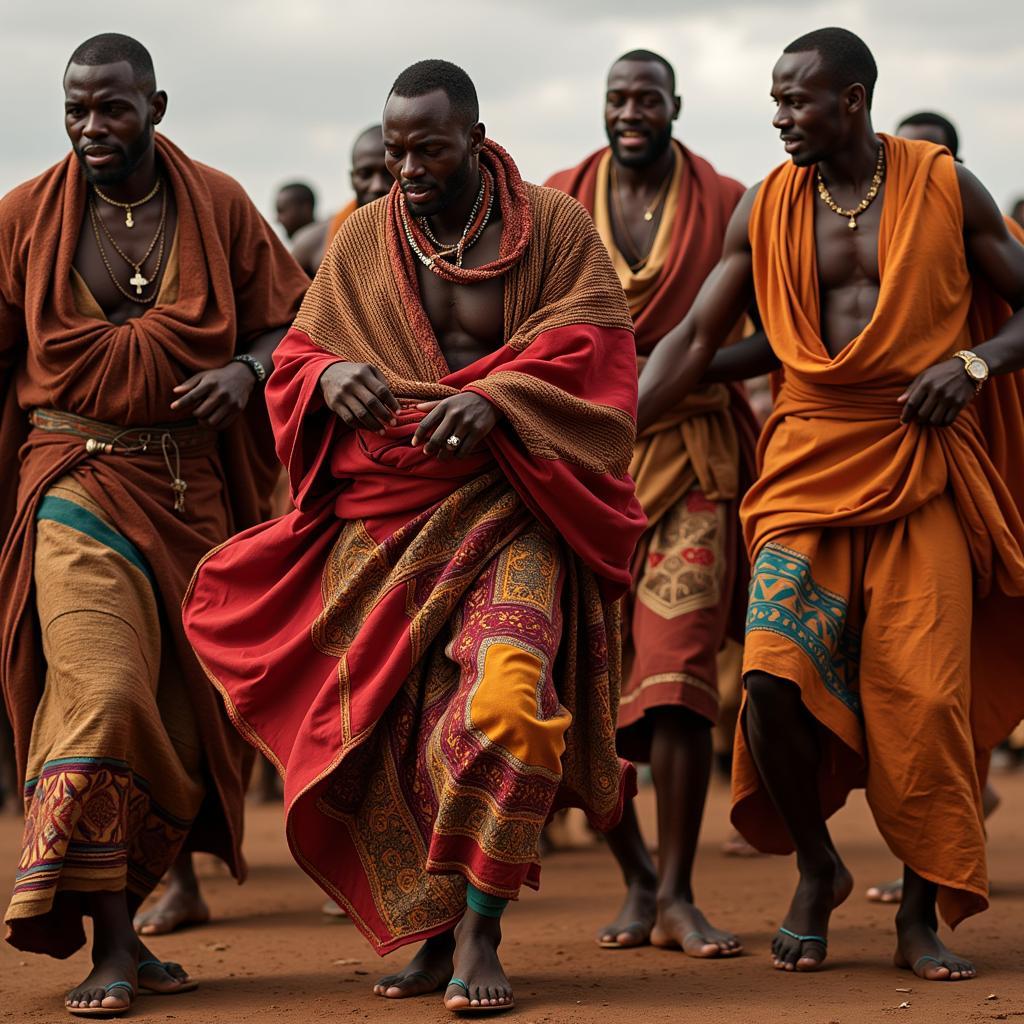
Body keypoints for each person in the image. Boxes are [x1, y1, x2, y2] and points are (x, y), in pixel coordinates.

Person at [182, 59, 645, 1013]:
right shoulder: (362, 239)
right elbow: (303, 352)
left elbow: (598, 343)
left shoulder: (552, 229)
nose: (406, 167)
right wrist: (327, 380)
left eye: (426, 148)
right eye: (393, 149)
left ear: (474, 138)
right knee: (393, 730)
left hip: (513, 506)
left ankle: (484, 931)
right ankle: (434, 935)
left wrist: (496, 401)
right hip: (388, 517)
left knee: (510, 700)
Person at [637, 26, 1024, 981]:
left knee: (926, 695)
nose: (780, 119)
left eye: (797, 102)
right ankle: (818, 867)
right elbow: (695, 335)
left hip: (921, 458)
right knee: (769, 678)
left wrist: (972, 365)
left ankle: (920, 908)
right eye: (774, 101)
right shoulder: (769, 206)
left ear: (851, 101)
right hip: (807, 462)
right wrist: (605, 428)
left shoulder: (942, 185)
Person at [0, 34, 308, 1017]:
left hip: (191, 499)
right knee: (105, 690)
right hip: (71, 483)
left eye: (113, 110)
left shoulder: (217, 203)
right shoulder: (21, 217)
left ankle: (135, 914)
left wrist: (247, 370)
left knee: (182, 715)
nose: (93, 127)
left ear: (156, 106)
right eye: (76, 109)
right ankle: (112, 946)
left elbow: (293, 323)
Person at [545, 49, 757, 956]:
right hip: (580, 467)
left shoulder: (731, 199)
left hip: (693, 459)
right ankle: (633, 875)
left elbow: (776, 334)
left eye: (647, 99)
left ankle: (676, 890)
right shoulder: (555, 199)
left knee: (675, 680)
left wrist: (686, 365)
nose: (630, 113)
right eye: (616, 99)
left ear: (676, 105)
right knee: (573, 683)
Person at [291, 125, 391, 276]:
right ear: (352, 179)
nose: (377, 186)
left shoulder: (430, 238)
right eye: (365, 174)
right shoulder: (312, 245)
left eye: (388, 173)